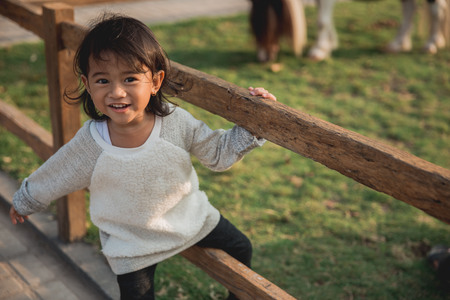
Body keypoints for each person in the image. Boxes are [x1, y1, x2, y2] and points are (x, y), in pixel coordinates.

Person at [9, 14, 276, 300]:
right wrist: (26, 199)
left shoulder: (175, 124)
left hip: (188, 218)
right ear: (87, 84)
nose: (117, 92)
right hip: (130, 240)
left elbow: (217, 154)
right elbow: (58, 172)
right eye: (103, 80)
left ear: (156, 81)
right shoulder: (92, 142)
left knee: (241, 247)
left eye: (130, 78)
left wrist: (253, 123)